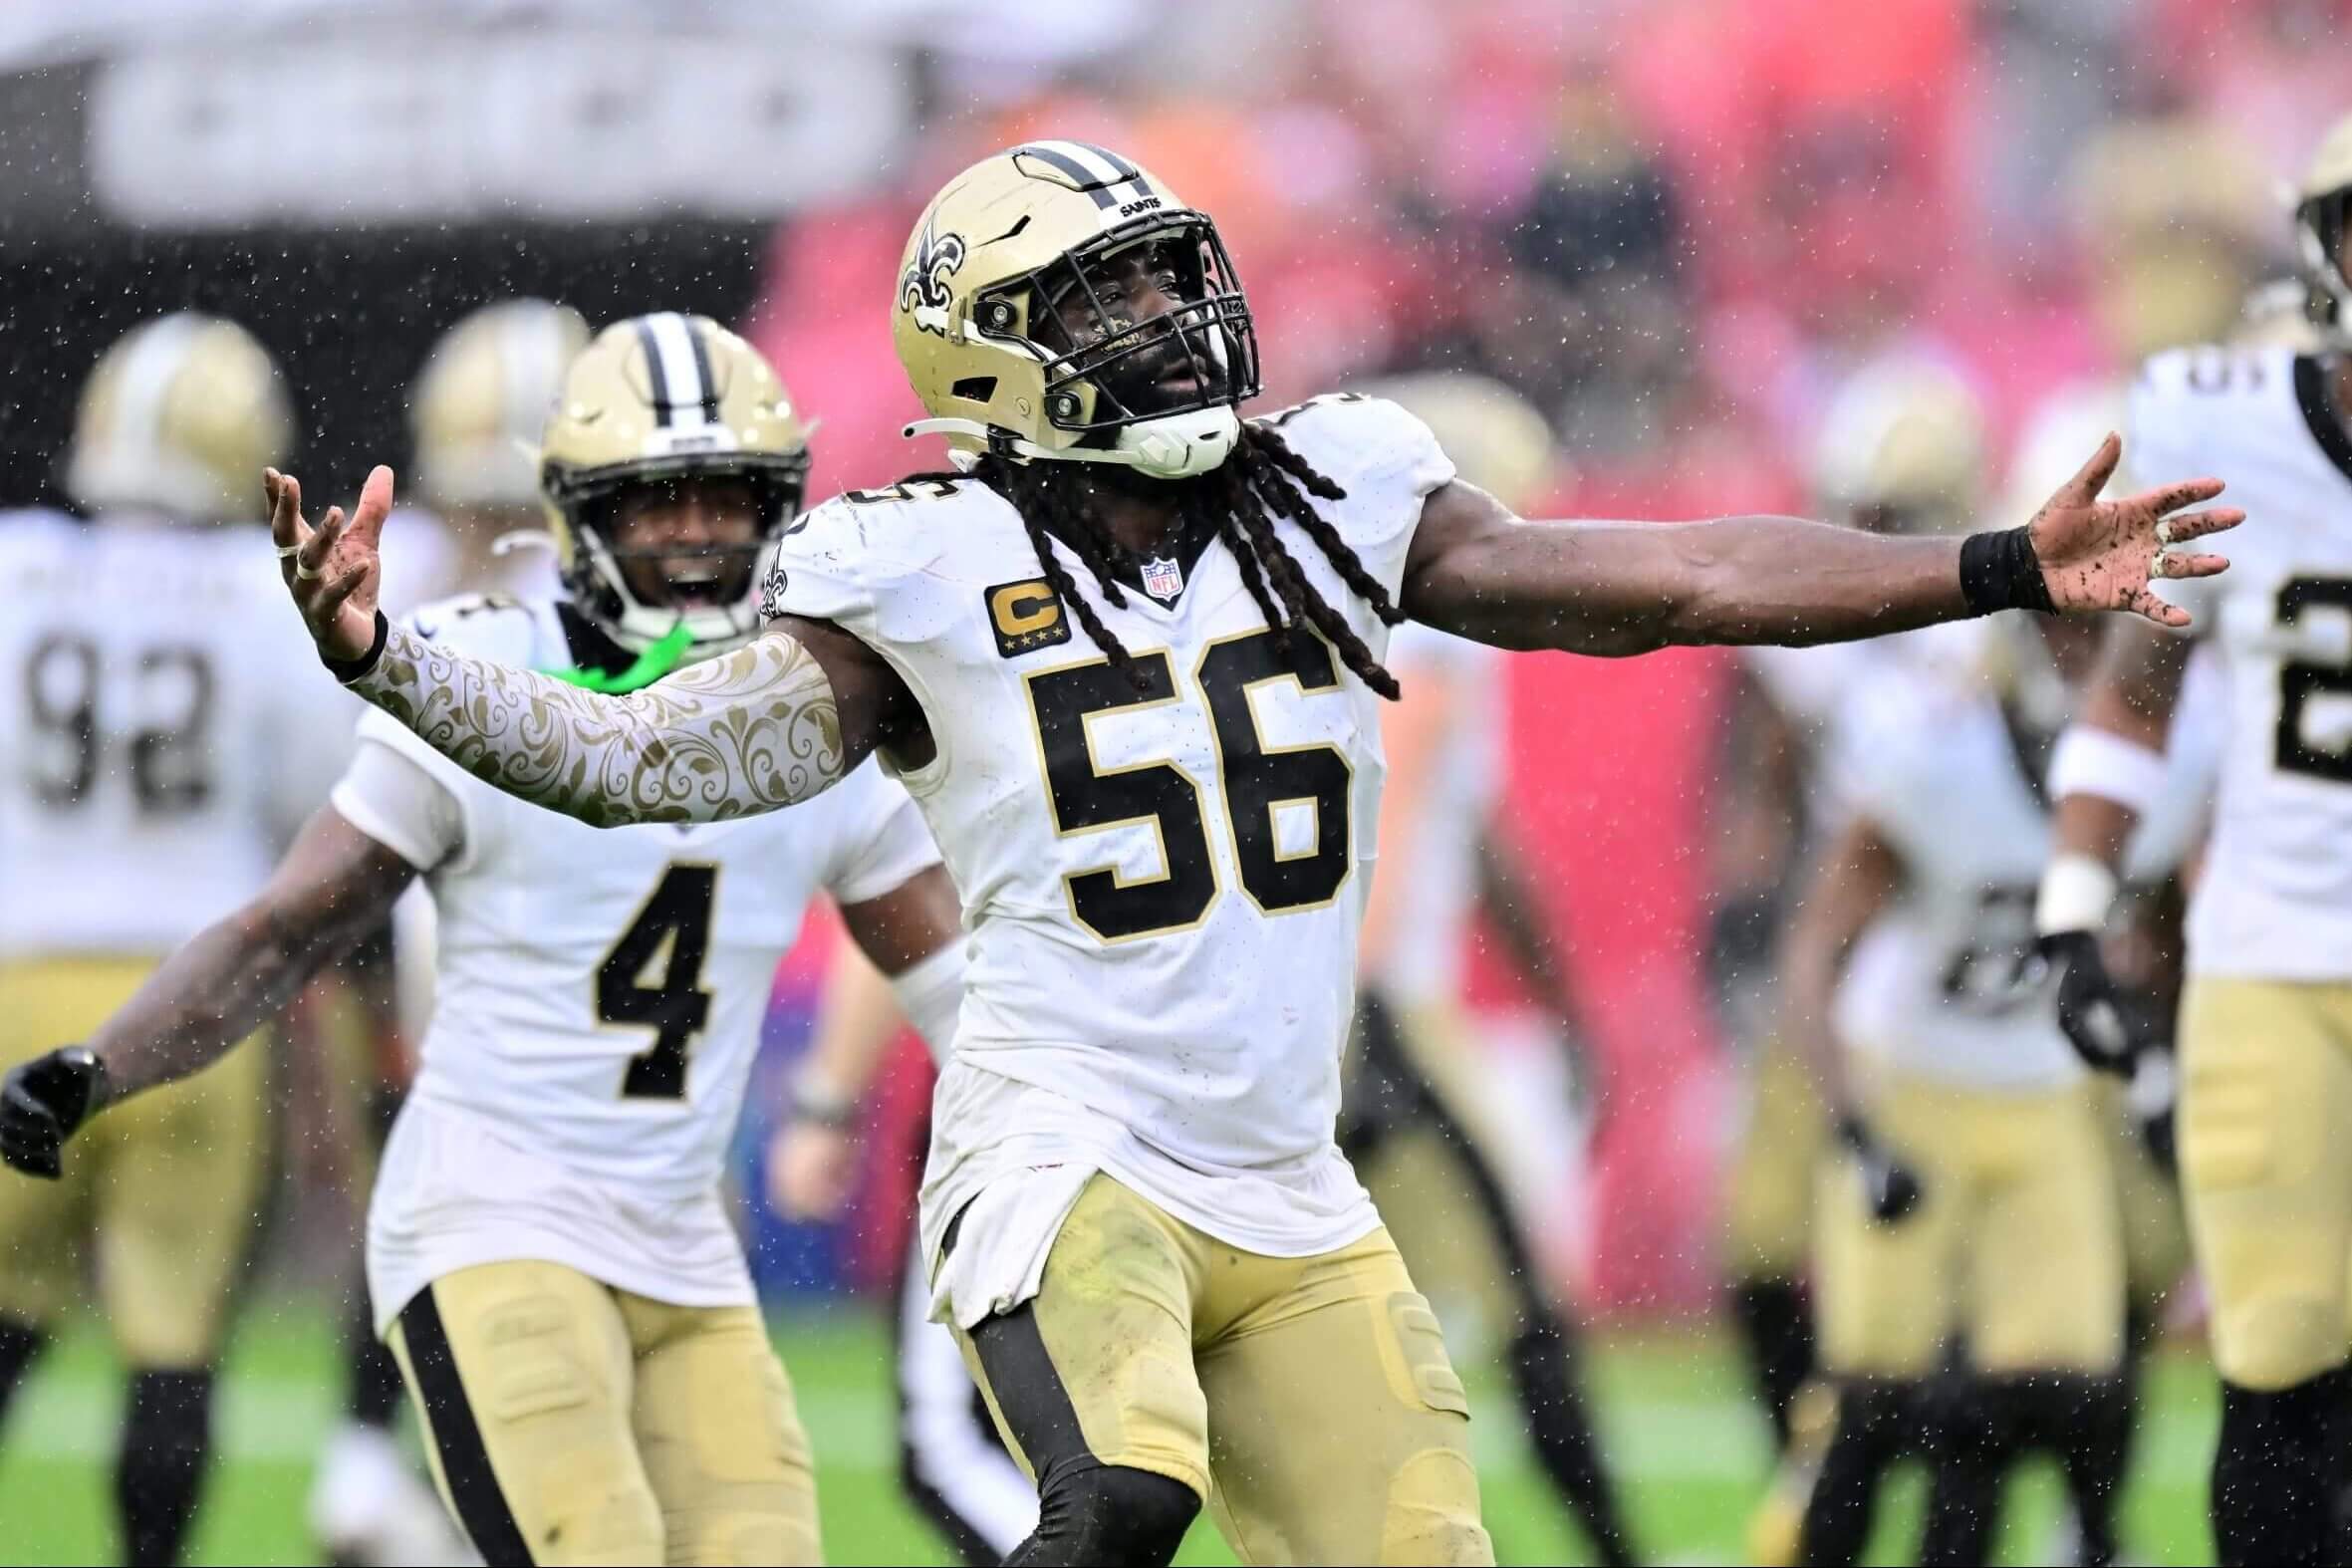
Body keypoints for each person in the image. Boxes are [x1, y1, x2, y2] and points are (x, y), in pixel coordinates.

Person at [242, 142, 2229, 1567]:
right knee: (1116, 1496)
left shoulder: (1340, 487)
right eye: (1101, 298)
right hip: (1063, 1151)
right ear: (993, 356)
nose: (1169, 317)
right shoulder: (916, 562)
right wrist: (391, 660)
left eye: (1164, 273)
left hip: (1288, 1183)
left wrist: (1983, 567)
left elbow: (1676, 575)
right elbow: (645, 758)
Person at [1, 314, 967, 1568]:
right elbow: (283, 926)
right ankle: (360, 1461)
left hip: (680, 1242)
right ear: (576, 507)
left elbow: (958, 984)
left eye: (729, 496)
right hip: (493, 1216)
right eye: (657, 499)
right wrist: (106, 1062)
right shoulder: (479, 666)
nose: (697, 531)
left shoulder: (815, 719)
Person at [2034, 113, 2352, 1567]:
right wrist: (2073, 899)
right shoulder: (2219, 421)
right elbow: (2135, 686)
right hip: (2277, 954)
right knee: (2281, 1351)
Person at [0, 313, 345, 1567]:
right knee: (172, 1325)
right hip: (188, 1000)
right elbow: (326, 810)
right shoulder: (267, 598)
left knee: (4, 1307)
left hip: (21, 973)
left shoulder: (17, 567)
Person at [1782, 607, 2213, 1568]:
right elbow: (1813, 948)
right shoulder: (1935, 756)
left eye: (2100, 626)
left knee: (2061, 1388)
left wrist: (2157, 1071)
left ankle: (2069, 1545)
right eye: (2060, 625)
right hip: (1911, 1084)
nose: (2077, 647)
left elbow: (2172, 939)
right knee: (1874, 1403)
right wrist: (1854, 1126)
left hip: (2043, 1092)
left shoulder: (2172, 765)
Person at [309, 294, 589, 1568]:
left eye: (523, 511)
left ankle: (424, 1466)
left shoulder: (615, 615)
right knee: (428, 1213)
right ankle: (399, 1458)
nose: (500, 538)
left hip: (551, 958)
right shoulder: (398, 584)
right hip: (441, 943)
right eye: (483, 508)